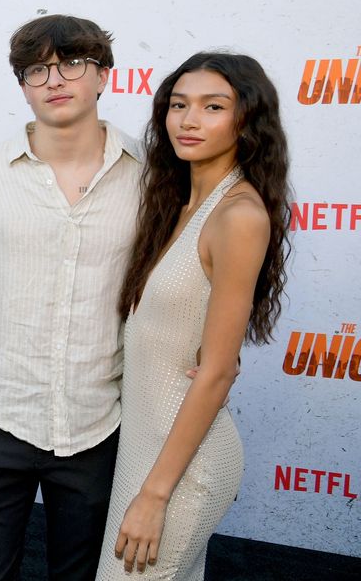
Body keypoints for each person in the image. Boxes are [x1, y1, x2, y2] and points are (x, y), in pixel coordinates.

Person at [0, 14, 142, 580]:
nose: (55, 80)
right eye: (37, 70)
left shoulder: (149, 174)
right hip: (1, 414)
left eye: (72, 63)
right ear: (22, 85)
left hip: (99, 420)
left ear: (103, 75)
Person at [96, 53, 290, 579]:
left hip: (182, 471)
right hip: (147, 453)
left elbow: (220, 370)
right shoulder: (176, 204)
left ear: (247, 119)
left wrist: (155, 495)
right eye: (178, 105)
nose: (189, 119)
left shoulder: (239, 215)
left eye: (213, 106)